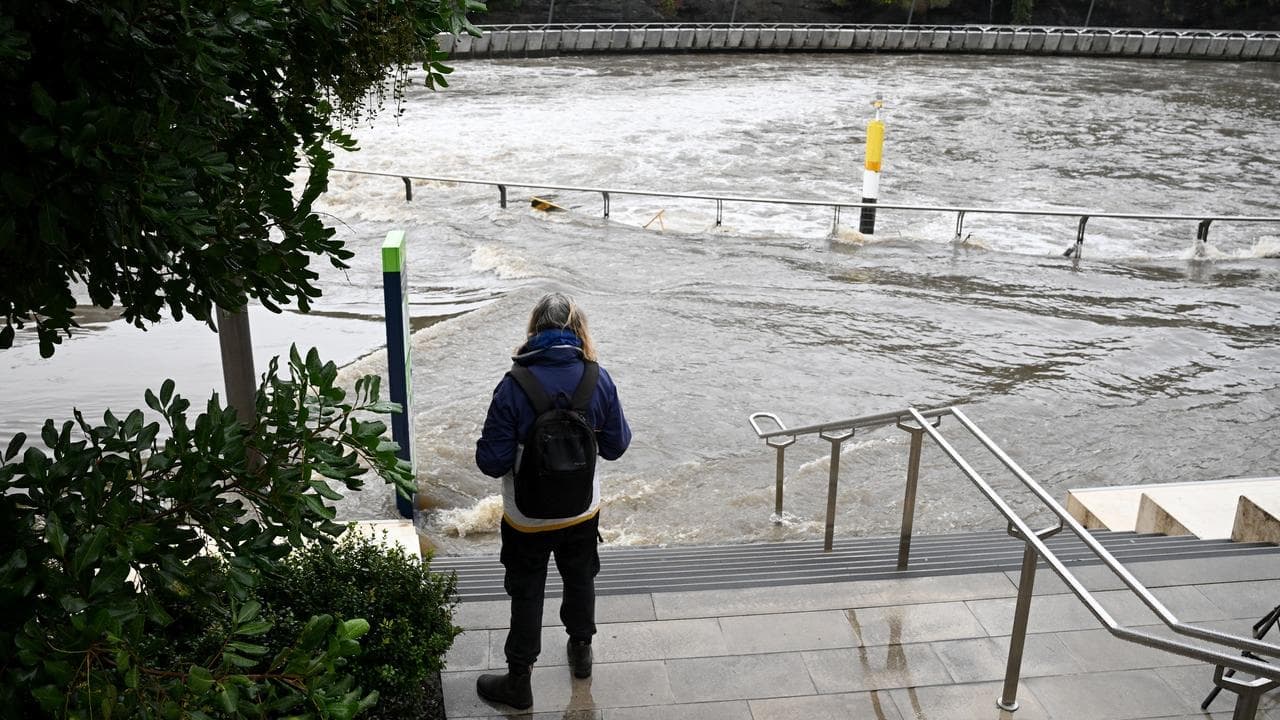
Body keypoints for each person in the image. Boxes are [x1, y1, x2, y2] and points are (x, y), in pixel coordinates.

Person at [474, 292, 632, 710]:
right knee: (580, 578)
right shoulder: (597, 379)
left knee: (526, 591)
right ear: (577, 329)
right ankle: (581, 652)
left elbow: (491, 462)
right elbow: (617, 446)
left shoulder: (513, 385)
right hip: (582, 510)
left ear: (533, 330)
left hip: (525, 517)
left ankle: (519, 681)